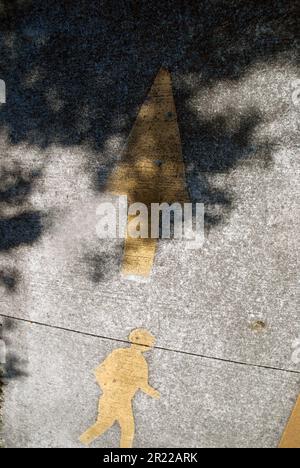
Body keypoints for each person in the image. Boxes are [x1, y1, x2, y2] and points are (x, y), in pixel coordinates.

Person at [79, 328, 160, 448]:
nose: (147, 346)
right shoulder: (120, 354)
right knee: (119, 428)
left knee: (113, 426)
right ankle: (79, 443)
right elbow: (100, 371)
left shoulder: (141, 362)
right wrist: (107, 386)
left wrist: (155, 394)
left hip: (123, 400)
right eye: (146, 342)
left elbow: (142, 383)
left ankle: (80, 442)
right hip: (113, 398)